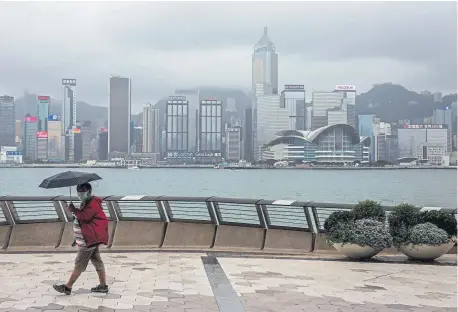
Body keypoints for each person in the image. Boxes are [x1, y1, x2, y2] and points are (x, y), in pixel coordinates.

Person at [53, 182, 109, 295]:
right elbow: (82, 220)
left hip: (89, 241)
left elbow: (85, 217)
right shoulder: (86, 202)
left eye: (82, 191)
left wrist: (74, 210)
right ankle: (103, 286)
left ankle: (67, 287)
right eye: (78, 191)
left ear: (88, 191)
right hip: (89, 238)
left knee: (79, 263)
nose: (79, 193)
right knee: (97, 261)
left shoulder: (92, 202)